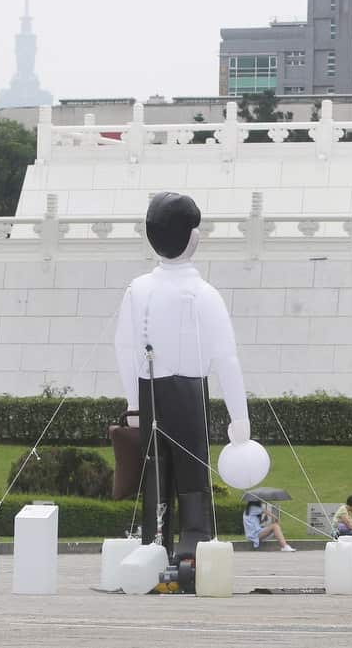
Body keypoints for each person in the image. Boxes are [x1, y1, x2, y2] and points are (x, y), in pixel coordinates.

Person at [115, 191, 262, 563]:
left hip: (150, 390)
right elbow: (226, 358)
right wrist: (239, 417)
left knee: (156, 470)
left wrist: (134, 402)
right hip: (187, 388)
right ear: (191, 237)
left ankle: (155, 541)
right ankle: (193, 544)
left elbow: (124, 348)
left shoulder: (137, 289)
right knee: (193, 469)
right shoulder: (202, 293)